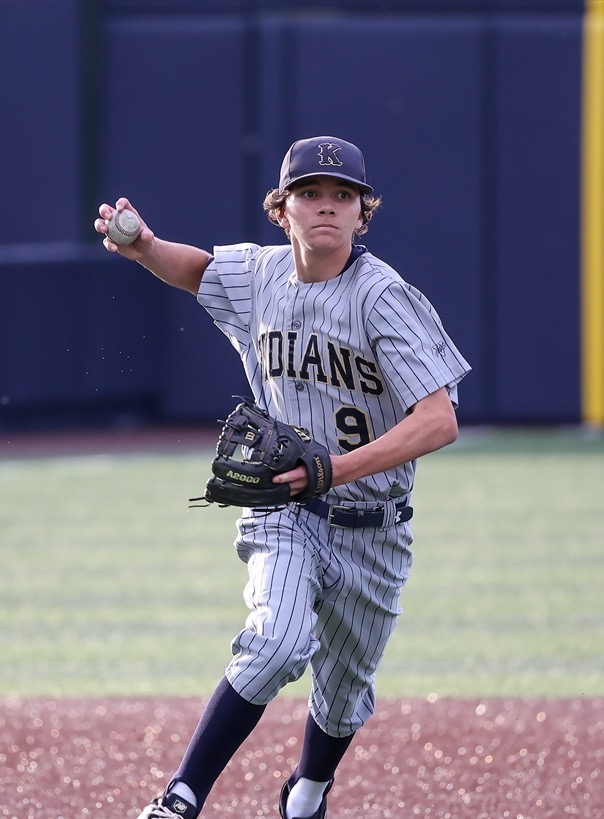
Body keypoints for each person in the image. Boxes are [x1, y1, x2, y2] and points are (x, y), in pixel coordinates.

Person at [94, 135, 471, 819]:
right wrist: (145, 246)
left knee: (344, 693)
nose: (326, 206)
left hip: (374, 527)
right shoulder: (259, 275)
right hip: (285, 513)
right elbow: (199, 270)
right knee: (275, 642)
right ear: (281, 210)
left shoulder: (383, 298)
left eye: (342, 196)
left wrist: (335, 469)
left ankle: (307, 793)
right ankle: (180, 797)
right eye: (309, 194)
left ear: (362, 213)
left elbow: (438, 420)